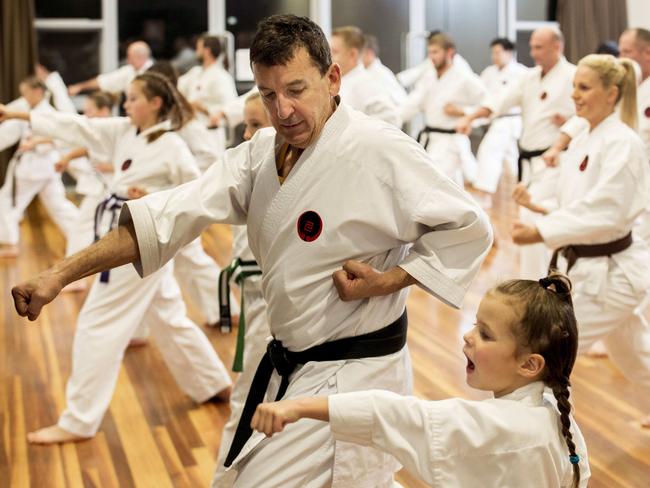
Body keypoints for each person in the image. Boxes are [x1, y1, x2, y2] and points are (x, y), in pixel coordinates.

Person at [9, 15, 492, 486]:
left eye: (296, 90)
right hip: (290, 362)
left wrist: (391, 279)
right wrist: (59, 274)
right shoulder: (262, 152)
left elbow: (468, 226)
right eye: (268, 94)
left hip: (354, 374)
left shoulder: (378, 149)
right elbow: (170, 213)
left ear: (333, 77)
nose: (282, 110)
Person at [0, 72, 233, 444]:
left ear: (155, 103)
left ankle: (79, 419)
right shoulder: (125, 131)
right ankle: (213, 383)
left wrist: (156, 194)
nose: (126, 105)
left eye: (133, 99)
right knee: (168, 316)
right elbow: (76, 126)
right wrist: (20, 116)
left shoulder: (172, 145)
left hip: (144, 240)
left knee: (98, 323)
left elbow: (196, 192)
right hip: (128, 235)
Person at [252, 273, 591, 488]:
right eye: (475, 325)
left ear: (530, 365)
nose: (469, 338)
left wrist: (299, 406)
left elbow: (402, 416)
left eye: (486, 335)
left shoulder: (507, 426)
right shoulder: (557, 414)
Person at [511, 54, 650, 427]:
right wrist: (538, 206)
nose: (574, 95)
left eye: (584, 87)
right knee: (637, 355)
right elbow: (575, 201)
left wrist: (542, 230)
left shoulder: (623, 142)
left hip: (612, 275)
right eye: (574, 86)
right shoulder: (588, 136)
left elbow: (609, 209)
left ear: (612, 93)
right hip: (587, 267)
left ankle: (527, 444)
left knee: (549, 359)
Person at [458, 27, 576, 280]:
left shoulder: (572, 76)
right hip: (531, 161)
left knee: (536, 222)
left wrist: (568, 120)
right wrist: (471, 116)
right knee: (531, 220)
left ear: (557, 47)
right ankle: (541, 282)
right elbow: (499, 100)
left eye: (539, 47)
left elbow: (587, 116)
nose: (533, 53)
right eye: (532, 47)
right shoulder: (529, 78)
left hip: (557, 160)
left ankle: (544, 283)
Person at [212, 91, 272, 488]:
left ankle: (227, 480)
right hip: (252, 291)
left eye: (255, 125)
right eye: (245, 125)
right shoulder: (249, 166)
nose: (247, 135)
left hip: (274, 304)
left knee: (250, 402)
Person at [0, 76, 79, 258]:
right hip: (43, 168)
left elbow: (60, 136)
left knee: (6, 201)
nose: (24, 97)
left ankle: (9, 243)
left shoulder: (47, 113)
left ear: (38, 92)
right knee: (57, 205)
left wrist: (34, 143)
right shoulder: (33, 111)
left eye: (26, 93)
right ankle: (83, 234)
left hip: (35, 167)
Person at [401, 32, 486, 186]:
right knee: (450, 189)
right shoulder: (429, 76)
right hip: (431, 138)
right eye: (429, 53)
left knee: (431, 183)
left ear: (450, 52)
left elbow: (489, 106)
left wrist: (463, 112)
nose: (432, 57)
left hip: (451, 140)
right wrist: (392, 119)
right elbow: (414, 103)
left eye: (435, 52)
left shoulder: (464, 77)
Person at [471, 38, 527, 203]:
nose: (494, 56)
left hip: (510, 120)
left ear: (509, 52)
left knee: (489, 151)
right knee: (510, 161)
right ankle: (519, 192)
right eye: (492, 53)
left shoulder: (521, 72)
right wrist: (471, 116)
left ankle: (484, 195)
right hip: (494, 118)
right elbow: (482, 97)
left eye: (498, 52)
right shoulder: (489, 72)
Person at [329, 26, 401, 127]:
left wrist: (356, 132)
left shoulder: (367, 84)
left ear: (352, 54)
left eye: (334, 52)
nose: (329, 57)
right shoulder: (341, 81)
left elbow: (392, 120)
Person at [178, 34, 238, 126]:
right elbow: (178, 87)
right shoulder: (195, 72)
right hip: (191, 125)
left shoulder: (222, 77)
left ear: (207, 51)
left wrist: (204, 108)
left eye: (198, 48)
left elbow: (230, 107)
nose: (196, 52)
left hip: (210, 129)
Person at [68, 41, 154, 96]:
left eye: (130, 57)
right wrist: (79, 87)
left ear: (141, 57)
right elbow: (104, 81)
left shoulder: (155, 71)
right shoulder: (130, 70)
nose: (128, 61)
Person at [361, 34, 407, 106]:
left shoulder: (380, 75)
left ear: (369, 53)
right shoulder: (368, 72)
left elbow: (400, 103)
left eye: (359, 53)